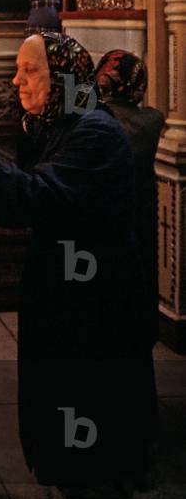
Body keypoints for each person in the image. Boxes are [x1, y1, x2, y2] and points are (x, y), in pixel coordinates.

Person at [0, 33, 157, 499]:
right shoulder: (56, 128)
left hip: (95, 301)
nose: (16, 81)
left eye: (30, 71)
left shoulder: (96, 130)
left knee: (88, 406)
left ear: (65, 77)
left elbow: (39, 196)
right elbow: (29, 205)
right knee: (61, 399)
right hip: (66, 292)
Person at [96, 50, 164, 346]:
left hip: (105, 224)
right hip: (142, 218)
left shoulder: (92, 122)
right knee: (138, 295)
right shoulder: (153, 120)